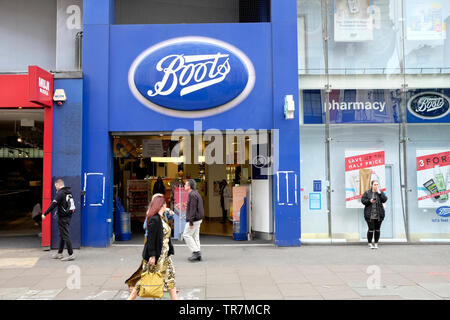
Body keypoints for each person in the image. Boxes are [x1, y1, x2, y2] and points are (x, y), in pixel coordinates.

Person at [127, 194, 177, 300]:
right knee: (144, 279)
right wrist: (153, 255)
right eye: (165, 204)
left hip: (165, 256)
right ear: (161, 205)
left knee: (170, 278)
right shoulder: (154, 219)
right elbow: (150, 239)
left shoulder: (162, 218)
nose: (166, 206)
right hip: (157, 257)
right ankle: (131, 297)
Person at [41, 179, 76, 261]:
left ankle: (71, 254)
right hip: (68, 216)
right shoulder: (68, 192)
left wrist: (45, 213)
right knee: (62, 235)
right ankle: (59, 253)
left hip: (63, 217)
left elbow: (53, 205)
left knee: (65, 235)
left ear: (57, 185)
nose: (55, 188)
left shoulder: (60, 193)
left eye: (55, 186)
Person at [361, 180, 388, 249]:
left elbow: (384, 200)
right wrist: (370, 201)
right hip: (369, 214)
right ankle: (370, 243)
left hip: (379, 214)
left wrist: (379, 193)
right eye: (375, 184)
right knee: (371, 229)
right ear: (372, 185)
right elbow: (363, 201)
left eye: (377, 184)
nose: (376, 186)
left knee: (377, 229)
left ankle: (376, 243)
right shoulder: (367, 193)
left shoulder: (380, 192)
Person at [183, 179, 204, 262]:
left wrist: (190, 221)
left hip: (194, 220)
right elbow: (194, 207)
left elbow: (193, 209)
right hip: (198, 219)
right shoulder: (196, 193)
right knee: (195, 236)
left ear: (189, 186)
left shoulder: (192, 195)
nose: (184, 186)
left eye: (185, 184)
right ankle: (198, 254)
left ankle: (196, 252)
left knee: (186, 235)